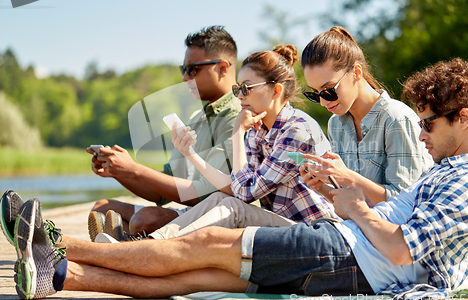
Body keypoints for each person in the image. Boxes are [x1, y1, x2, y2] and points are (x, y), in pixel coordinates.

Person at [9, 59, 468, 300]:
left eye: (429, 123)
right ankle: (58, 277)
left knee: (203, 244)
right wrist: (347, 192)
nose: (421, 132)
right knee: (200, 275)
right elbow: (398, 221)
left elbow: (398, 249)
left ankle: (57, 244)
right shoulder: (453, 171)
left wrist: (354, 207)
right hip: (345, 250)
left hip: (348, 254)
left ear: (462, 118)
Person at [117, 44, 337, 241]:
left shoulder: (297, 131)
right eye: (237, 89)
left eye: (246, 88)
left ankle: (154, 248)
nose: (240, 96)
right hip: (285, 229)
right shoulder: (257, 131)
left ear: (276, 90)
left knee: (233, 207)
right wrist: (190, 154)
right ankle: (151, 243)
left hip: (317, 232)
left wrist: (236, 132)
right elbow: (234, 186)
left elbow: (245, 194)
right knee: (219, 198)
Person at [86, 26, 241, 239]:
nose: (185, 78)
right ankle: (125, 249)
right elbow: (161, 191)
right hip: (193, 213)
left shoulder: (238, 116)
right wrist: (120, 171)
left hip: (223, 219)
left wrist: (135, 169)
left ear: (223, 68)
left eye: (193, 69)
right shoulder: (198, 118)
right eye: (183, 69)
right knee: (102, 207)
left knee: (144, 220)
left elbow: (206, 193)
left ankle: (122, 251)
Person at [299, 26, 433, 205]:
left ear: (356, 72)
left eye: (328, 90)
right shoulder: (336, 124)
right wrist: (320, 187)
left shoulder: (396, 119)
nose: (323, 102)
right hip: (356, 227)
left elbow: (407, 201)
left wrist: (347, 176)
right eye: (315, 94)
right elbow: (353, 200)